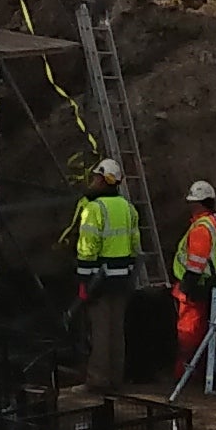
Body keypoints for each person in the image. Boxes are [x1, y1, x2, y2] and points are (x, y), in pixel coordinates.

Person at [69, 160, 145, 390]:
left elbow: (87, 248)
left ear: (104, 180)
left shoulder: (95, 208)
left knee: (100, 331)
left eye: (96, 178)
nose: (93, 181)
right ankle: (115, 378)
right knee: (116, 329)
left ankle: (97, 380)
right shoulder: (128, 208)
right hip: (122, 279)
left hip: (99, 281)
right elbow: (135, 245)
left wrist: (83, 281)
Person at [169, 181, 216, 388]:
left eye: (193, 202)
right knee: (201, 333)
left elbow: (196, 263)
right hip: (209, 285)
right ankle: (196, 375)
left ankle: (186, 377)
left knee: (189, 335)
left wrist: (187, 286)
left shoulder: (202, 229)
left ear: (200, 203)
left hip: (195, 287)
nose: (190, 206)